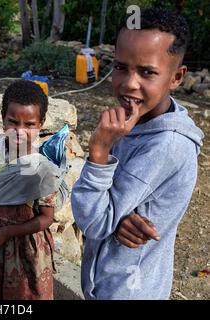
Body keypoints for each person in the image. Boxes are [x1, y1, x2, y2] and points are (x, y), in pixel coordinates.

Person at [71, 7, 204, 300]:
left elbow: (93, 222)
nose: (129, 82)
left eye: (147, 72)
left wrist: (99, 151)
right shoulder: (134, 119)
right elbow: (105, 217)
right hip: (110, 283)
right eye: (121, 67)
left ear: (176, 77)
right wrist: (116, 218)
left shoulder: (166, 145)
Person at [0, 80, 66, 300]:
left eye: (29, 124)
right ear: (2, 119)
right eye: (13, 122)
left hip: (27, 250)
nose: (20, 131)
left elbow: (46, 218)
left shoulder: (43, 166)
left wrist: (8, 232)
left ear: (41, 123)